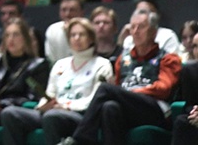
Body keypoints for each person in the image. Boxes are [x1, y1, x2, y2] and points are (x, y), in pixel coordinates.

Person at [58, 11, 181, 145]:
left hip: (155, 110)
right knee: (109, 107)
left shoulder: (168, 58)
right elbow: (118, 89)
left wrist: (132, 92)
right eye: (132, 27)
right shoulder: (123, 59)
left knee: (106, 89)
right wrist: (124, 94)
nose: (136, 31)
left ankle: (80, 139)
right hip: (129, 109)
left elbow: (164, 89)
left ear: (153, 32)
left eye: (141, 27)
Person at [1, 18, 113, 145]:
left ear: (91, 38)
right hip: (53, 110)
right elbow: (50, 93)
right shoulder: (60, 64)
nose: (76, 38)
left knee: (52, 116)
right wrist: (43, 105)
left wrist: (66, 107)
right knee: (10, 113)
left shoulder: (102, 64)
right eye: (73, 35)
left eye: (81, 35)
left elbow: (96, 99)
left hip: (81, 115)